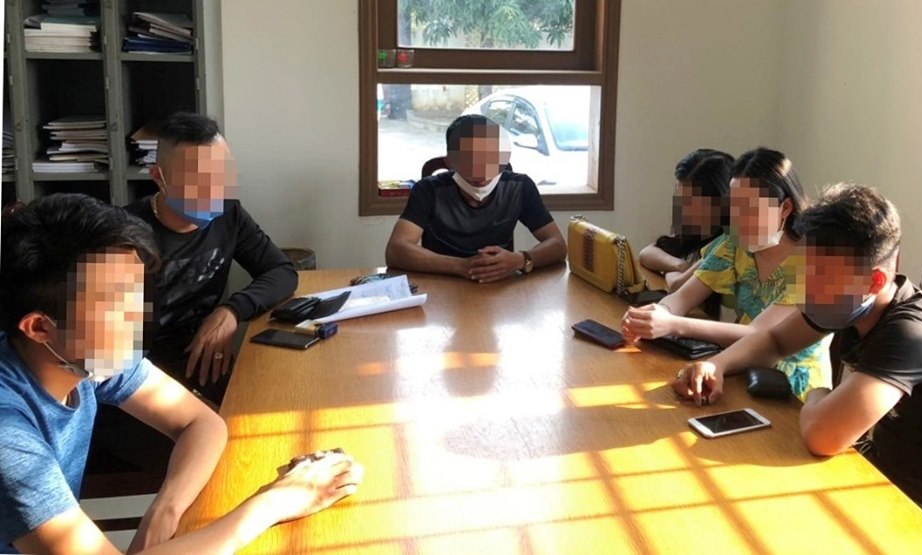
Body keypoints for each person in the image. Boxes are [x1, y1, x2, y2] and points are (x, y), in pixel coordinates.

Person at [0, 194, 363, 553]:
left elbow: (202, 423)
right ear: (39, 327)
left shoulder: (82, 351)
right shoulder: (8, 432)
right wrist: (277, 501)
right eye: (113, 303)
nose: (136, 317)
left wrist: (162, 513)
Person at [672, 183, 922, 541]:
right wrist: (718, 364)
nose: (806, 288)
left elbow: (823, 436)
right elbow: (775, 340)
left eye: (820, 276)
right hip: (884, 465)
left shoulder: (912, 334)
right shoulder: (845, 299)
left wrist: (818, 394)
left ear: (874, 281)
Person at [622, 148, 831, 400]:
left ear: (785, 207)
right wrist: (657, 313)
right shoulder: (734, 244)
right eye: (734, 207)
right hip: (737, 366)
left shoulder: (811, 264)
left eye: (750, 209)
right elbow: (682, 296)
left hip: (792, 392)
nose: (738, 220)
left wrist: (673, 324)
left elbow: (761, 336)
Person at [127, 112, 297, 403]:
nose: (214, 190)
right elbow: (105, 352)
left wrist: (231, 311)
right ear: (159, 177)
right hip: (140, 375)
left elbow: (282, 271)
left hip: (205, 358)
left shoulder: (228, 214)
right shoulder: (124, 237)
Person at [385, 114, 567, 283]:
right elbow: (396, 250)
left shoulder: (519, 187)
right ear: (450, 161)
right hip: (443, 283)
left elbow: (558, 245)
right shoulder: (428, 189)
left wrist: (520, 259)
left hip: (499, 286)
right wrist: (460, 266)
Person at [638, 148, 733, 296]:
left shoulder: (726, 244)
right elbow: (646, 254)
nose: (682, 210)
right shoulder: (697, 233)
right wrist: (680, 265)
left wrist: (670, 269)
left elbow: (677, 285)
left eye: (691, 203)